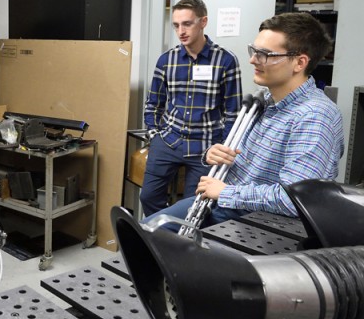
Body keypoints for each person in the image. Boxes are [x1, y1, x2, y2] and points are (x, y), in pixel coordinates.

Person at [145, 12, 344, 231]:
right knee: (146, 232)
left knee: (153, 238)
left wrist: (225, 192)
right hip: (224, 205)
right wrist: (214, 154)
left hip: (258, 221)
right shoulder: (264, 101)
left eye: (264, 54)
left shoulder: (315, 117)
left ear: (299, 62)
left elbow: (293, 200)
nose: (252, 60)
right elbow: (241, 162)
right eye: (254, 50)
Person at [140, 0, 242, 216]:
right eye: (176, 25)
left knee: (191, 208)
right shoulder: (167, 60)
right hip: (168, 140)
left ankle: (179, 245)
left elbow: (233, 112)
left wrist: (222, 146)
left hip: (205, 145)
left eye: (187, 24)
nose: (181, 31)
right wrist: (154, 134)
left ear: (203, 21)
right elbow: (153, 104)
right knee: (147, 196)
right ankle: (159, 238)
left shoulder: (226, 60)